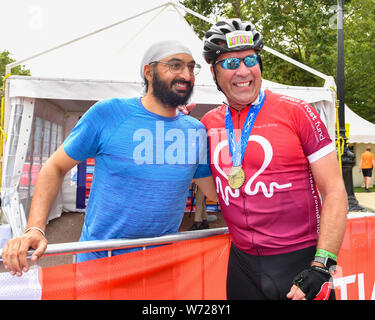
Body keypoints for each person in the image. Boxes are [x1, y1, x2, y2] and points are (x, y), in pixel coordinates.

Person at [1, 40, 218, 276]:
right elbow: (54, 166)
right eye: (175, 66)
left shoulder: (195, 131)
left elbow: (216, 192)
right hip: (99, 264)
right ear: (149, 71)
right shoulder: (108, 113)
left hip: (161, 267)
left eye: (190, 67)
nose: (186, 75)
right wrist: (35, 228)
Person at [200, 18, 348, 300]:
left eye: (251, 60)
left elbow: (335, 191)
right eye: (231, 64)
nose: (243, 71)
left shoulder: (297, 111)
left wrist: (322, 265)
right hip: (241, 265)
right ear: (214, 71)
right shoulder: (209, 123)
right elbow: (211, 190)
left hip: (299, 263)